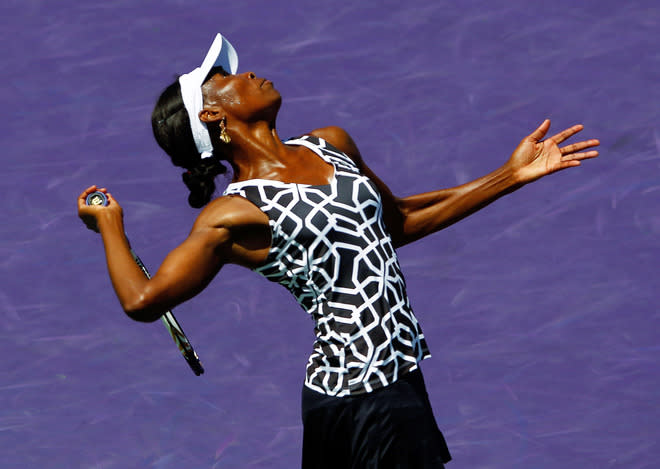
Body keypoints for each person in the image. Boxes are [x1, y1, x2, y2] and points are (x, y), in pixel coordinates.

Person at [78, 34, 599, 468]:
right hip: (359, 396)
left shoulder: (331, 144)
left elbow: (400, 222)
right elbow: (143, 299)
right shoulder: (232, 216)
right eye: (225, 79)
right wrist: (111, 224)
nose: (248, 73)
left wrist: (511, 176)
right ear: (212, 116)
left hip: (395, 379)